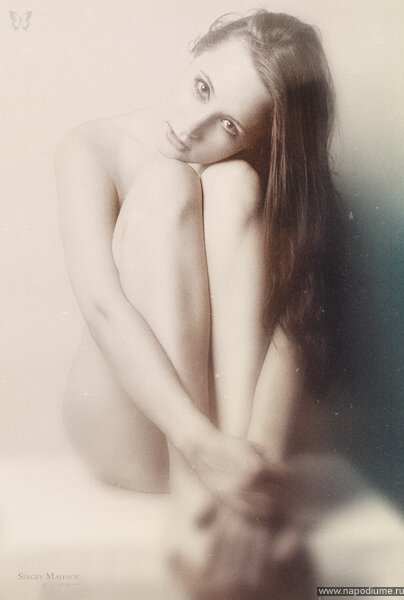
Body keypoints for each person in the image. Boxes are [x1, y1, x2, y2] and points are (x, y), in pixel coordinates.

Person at [55, 9, 340, 598]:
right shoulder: (89, 147)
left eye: (229, 125)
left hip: (223, 451)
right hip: (130, 429)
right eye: (202, 87)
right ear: (195, 52)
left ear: (259, 139)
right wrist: (201, 447)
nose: (190, 127)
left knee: (235, 184)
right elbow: (103, 308)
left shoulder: (253, 175)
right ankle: (193, 515)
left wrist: (252, 474)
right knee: (167, 180)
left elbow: (292, 333)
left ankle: (230, 512)